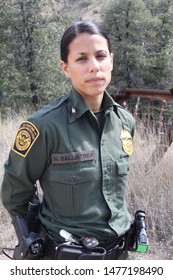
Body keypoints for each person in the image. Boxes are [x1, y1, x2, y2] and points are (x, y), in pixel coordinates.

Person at [1, 20, 135, 260]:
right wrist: (33, 238)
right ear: (65, 67)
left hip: (120, 257)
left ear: (111, 61)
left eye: (101, 56)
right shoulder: (43, 126)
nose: (94, 67)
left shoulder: (124, 122)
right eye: (82, 59)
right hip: (67, 259)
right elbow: (15, 192)